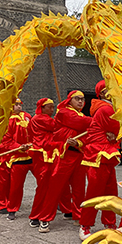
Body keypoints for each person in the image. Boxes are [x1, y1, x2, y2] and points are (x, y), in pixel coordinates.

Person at [37, 91, 92, 233]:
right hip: (63, 154)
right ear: (69, 100)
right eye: (77, 99)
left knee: (79, 188)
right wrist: (99, 119)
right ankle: (45, 218)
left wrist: (78, 142)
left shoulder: (81, 116)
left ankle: (78, 216)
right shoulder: (64, 112)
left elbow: (88, 136)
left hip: (78, 155)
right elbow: (81, 124)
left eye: (82, 99)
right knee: (55, 187)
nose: (80, 101)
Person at [80, 81, 122, 244]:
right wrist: (115, 134)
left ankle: (110, 223)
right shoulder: (105, 109)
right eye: (105, 91)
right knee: (94, 193)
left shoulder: (111, 108)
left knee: (111, 193)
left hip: (107, 157)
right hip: (97, 156)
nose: (109, 93)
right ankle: (85, 225)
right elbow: (120, 128)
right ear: (101, 94)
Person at [27, 98, 70, 228]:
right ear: (42, 108)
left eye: (53, 107)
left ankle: (62, 209)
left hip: (48, 153)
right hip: (43, 155)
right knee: (44, 185)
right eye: (49, 107)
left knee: (50, 185)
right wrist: (63, 113)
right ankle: (36, 215)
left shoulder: (36, 119)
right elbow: (56, 126)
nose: (51, 110)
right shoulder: (40, 118)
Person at [4, 99, 33, 220]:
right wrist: (19, 147)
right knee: (16, 186)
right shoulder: (7, 120)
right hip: (17, 157)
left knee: (45, 180)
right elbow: (6, 139)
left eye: (20, 104)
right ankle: (12, 209)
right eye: (16, 105)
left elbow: (35, 133)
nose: (19, 107)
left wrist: (31, 144)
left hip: (32, 154)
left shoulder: (27, 116)